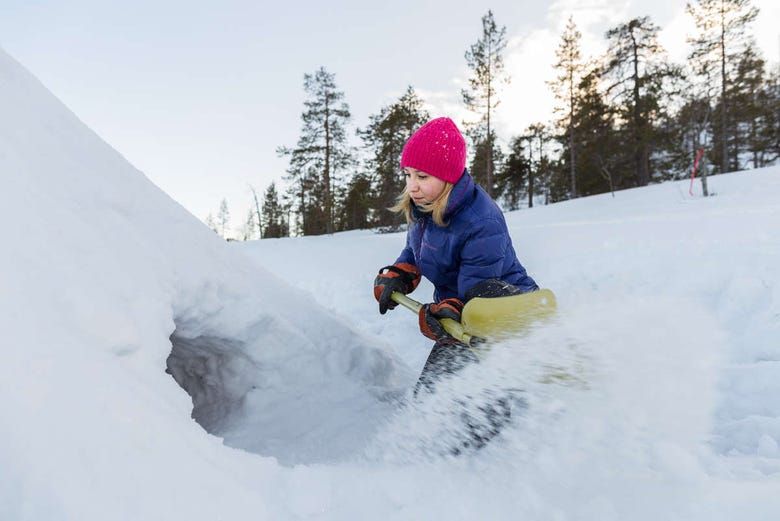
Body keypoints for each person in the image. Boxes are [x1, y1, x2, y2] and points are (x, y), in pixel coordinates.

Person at [373, 117, 539, 395]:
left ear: (448, 177)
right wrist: (400, 275)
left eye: (422, 176)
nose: (412, 186)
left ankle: (497, 415)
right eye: (408, 174)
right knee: (430, 400)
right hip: (462, 313)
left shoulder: (481, 220)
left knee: (465, 402)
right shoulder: (423, 208)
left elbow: (479, 287)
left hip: (501, 310)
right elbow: (415, 252)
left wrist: (450, 309)